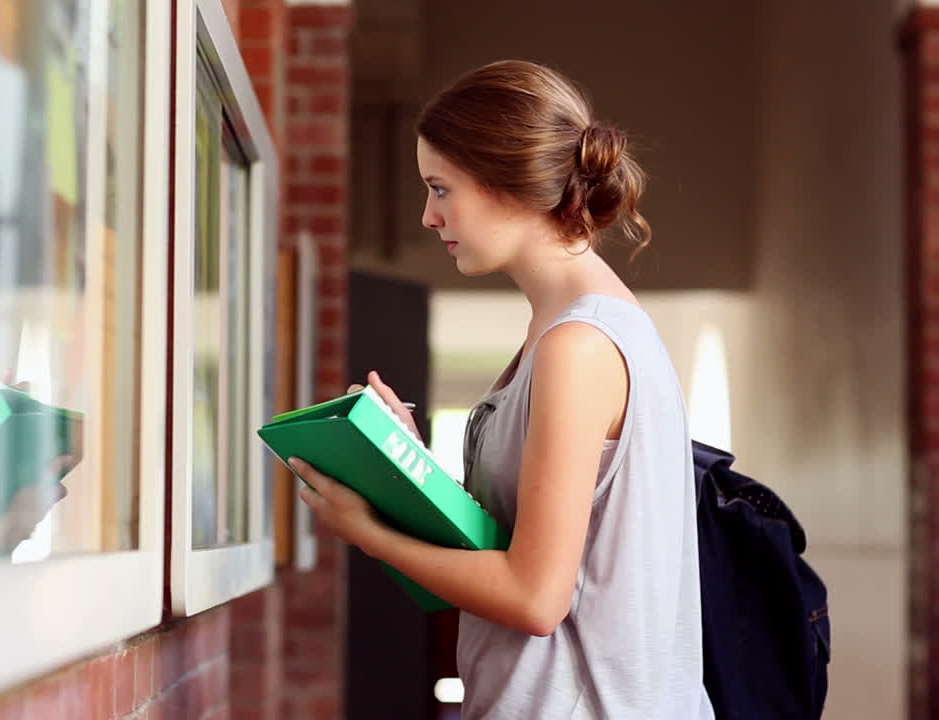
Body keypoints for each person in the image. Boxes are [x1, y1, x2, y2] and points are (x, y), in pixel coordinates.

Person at [287, 59, 715, 719]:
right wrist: (407, 472)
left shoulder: (579, 346)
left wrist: (366, 531)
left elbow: (534, 597)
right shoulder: (560, 333)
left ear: (508, 182)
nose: (429, 216)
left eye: (440, 187)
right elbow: (516, 548)